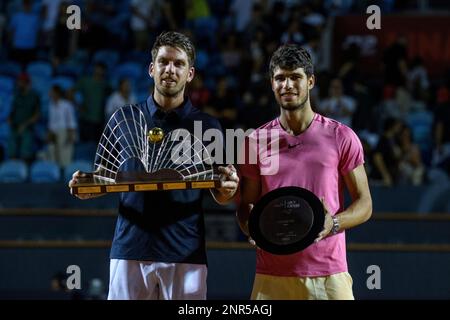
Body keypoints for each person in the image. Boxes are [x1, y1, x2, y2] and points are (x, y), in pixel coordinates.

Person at [69, 31, 239, 300]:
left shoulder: (208, 126)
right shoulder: (122, 119)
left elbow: (221, 193)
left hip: (186, 253)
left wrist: (229, 187)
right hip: (129, 250)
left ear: (190, 74)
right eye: (163, 62)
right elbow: (103, 179)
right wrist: (85, 185)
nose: (170, 69)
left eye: (179, 64)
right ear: (151, 68)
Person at [237, 44, 372, 300]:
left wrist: (333, 223)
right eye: (280, 78)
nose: (287, 85)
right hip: (271, 276)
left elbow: (365, 203)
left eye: (295, 77)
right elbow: (246, 206)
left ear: (310, 81)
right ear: (272, 84)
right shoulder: (254, 141)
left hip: (329, 275)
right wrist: (251, 227)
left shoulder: (341, 136)